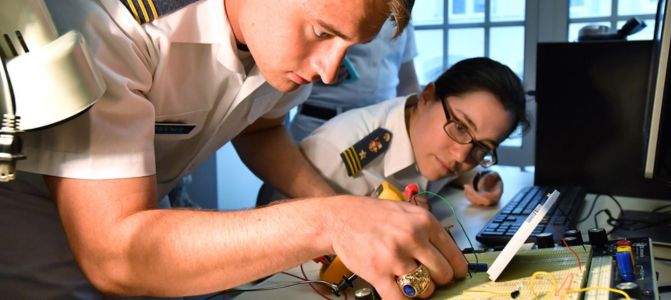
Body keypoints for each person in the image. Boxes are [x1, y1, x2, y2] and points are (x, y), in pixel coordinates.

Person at [0, 0, 467, 299]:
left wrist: (347, 211)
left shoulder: (282, 49)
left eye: (350, 44)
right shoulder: (113, 23)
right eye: (323, 33)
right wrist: (332, 222)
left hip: (150, 231)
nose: (329, 71)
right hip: (39, 253)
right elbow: (113, 255)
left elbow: (260, 130)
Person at [300, 57, 529, 207]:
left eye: (482, 148)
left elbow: (460, 168)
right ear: (427, 96)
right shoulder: (336, 154)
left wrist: (481, 179)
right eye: (460, 127)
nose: (461, 156)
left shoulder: (428, 137)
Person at [288, 18, 420, 142]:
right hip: (318, 123)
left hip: (382, 130)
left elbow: (408, 81)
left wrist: (415, 127)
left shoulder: (402, 10)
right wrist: (317, 70)